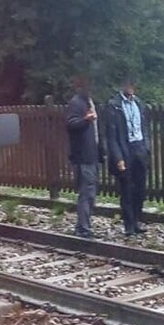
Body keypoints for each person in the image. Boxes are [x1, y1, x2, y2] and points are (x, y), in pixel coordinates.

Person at [104, 77, 151, 236]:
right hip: (125, 149)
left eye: (133, 85)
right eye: (128, 85)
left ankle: (137, 219)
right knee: (127, 189)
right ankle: (129, 225)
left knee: (140, 188)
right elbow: (112, 136)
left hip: (140, 148)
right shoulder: (114, 106)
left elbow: (144, 128)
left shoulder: (139, 103)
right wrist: (118, 158)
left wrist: (147, 148)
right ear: (123, 86)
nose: (131, 88)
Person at [65, 76, 103, 239]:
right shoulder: (76, 102)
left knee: (90, 193)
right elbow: (70, 124)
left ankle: (85, 225)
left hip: (92, 155)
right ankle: (82, 228)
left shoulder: (89, 102)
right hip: (82, 156)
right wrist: (86, 120)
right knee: (86, 193)